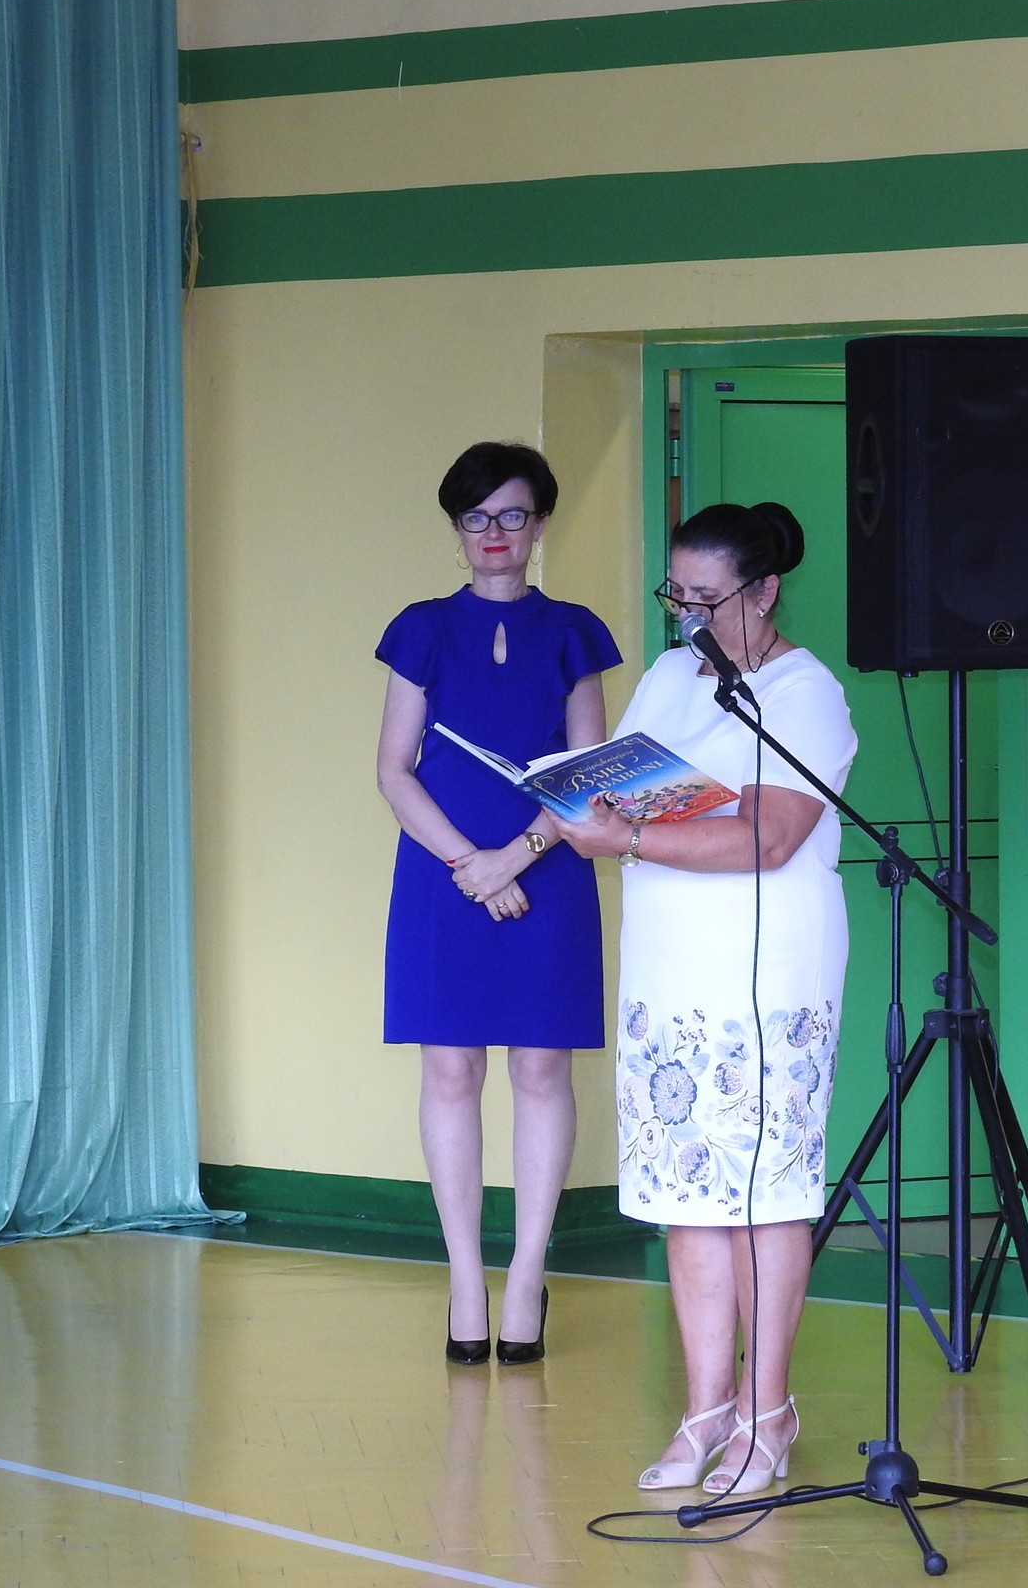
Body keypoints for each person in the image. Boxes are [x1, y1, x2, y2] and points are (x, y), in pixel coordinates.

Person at [547, 500, 856, 1499]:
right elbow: (617, 789)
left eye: (707, 599)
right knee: (688, 1196)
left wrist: (629, 838)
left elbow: (770, 836)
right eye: (673, 595)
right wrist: (587, 809)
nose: (686, 617)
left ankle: (768, 1414)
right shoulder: (670, 677)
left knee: (764, 1197)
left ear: (764, 591)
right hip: (669, 965)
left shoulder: (805, 692)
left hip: (769, 971)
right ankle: (705, 1411)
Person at [375, 441, 621, 1365]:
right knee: (449, 1072)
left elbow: (589, 776)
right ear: (456, 527)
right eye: (476, 517)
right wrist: (469, 865)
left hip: (546, 871)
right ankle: (464, 1278)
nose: (494, 533)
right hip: (442, 879)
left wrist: (514, 857)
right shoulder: (421, 629)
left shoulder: (574, 632)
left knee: (543, 1072)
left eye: (513, 515)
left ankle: (525, 1276)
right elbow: (394, 769)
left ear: (540, 524)